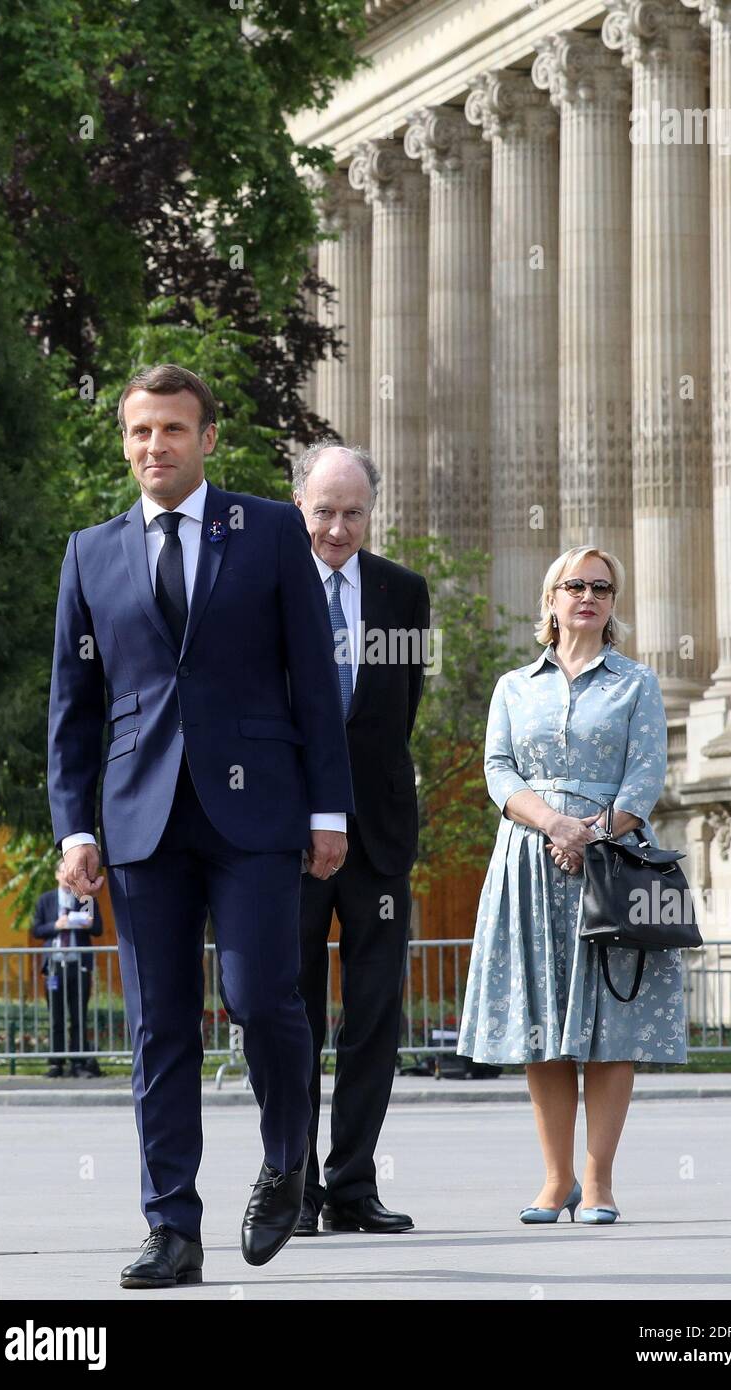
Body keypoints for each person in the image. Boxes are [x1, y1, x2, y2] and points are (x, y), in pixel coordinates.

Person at [47, 364, 354, 1288]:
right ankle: (172, 1226)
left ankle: (288, 1160)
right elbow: (73, 705)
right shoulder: (89, 552)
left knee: (263, 996)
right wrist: (73, 829)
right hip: (140, 819)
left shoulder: (265, 530)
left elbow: (314, 676)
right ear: (126, 441)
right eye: (141, 432)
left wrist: (328, 807)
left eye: (173, 431)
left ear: (207, 438)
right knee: (158, 1027)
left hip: (255, 809)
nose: (155, 447)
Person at [457, 545, 687, 1227]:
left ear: (613, 605)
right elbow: (499, 771)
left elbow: (646, 778)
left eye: (603, 588)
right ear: (551, 601)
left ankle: (599, 1179)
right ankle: (555, 1180)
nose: (589, 596)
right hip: (530, 860)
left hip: (611, 864)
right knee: (542, 1024)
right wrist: (555, 824)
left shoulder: (636, 684)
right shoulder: (513, 686)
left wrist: (590, 834)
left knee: (611, 1027)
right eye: (575, 585)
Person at [291, 441, 430, 1235]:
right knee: (293, 1018)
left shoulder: (401, 592)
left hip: (378, 842)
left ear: (370, 513)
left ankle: (353, 1185)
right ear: (299, 505)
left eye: (353, 513)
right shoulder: (271, 587)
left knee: (374, 1017)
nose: (338, 529)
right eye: (324, 512)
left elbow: (396, 715)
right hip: (292, 843)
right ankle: (297, 1185)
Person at [32, 859, 104, 1078]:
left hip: (78, 965)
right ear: (56, 875)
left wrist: (87, 922)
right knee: (56, 1017)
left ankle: (79, 1063)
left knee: (78, 1015)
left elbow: (98, 928)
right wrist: (56, 925)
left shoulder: (85, 899)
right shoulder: (46, 900)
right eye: (62, 871)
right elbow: (36, 930)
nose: (66, 875)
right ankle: (56, 1063)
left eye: (68, 871)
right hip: (54, 966)